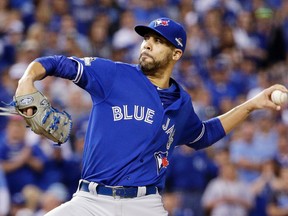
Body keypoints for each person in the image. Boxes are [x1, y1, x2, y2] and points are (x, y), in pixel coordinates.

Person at [14, 17, 287, 216]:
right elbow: (57, 63)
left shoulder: (181, 103)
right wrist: (27, 80)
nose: (147, 45)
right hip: (90, 202)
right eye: (146, 39)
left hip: (144, 206)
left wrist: (251, 105)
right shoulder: (114, 75)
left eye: (158, 41)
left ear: (176, 53)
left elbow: (204, 135)